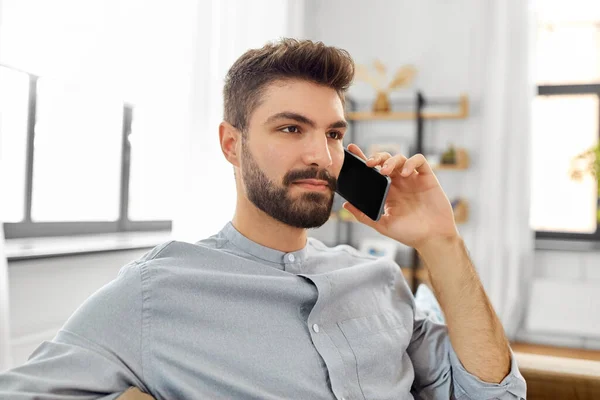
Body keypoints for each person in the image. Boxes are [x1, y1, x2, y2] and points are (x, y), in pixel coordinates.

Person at [0, 38, 526, 400]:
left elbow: (494, 393)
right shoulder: (156, 291)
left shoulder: (380, 279)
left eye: (334, 134)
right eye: (291, 129)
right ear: (233, 144)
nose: (321, 154)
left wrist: (440, 241)